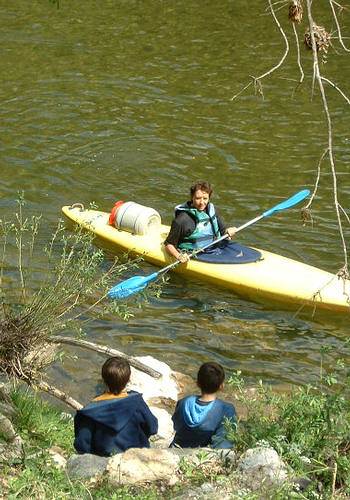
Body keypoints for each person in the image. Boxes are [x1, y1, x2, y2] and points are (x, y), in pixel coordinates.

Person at [74, 357, 158, 457]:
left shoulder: (89, 411)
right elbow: (153, 428)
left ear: (103, 380)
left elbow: (82, 445)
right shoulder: (136, 402)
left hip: (103, 459)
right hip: (136, 457)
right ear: (128, 379)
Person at [164, 181, 237, 263]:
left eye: (205, 198)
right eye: (198, 198)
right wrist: (179, 256)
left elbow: (224, 233)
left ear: (209, 198)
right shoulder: (182, 220)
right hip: (194, 253)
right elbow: (168, 244)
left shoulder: (212, 210)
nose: (202, 203)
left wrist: (229, 231)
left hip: (215, 249)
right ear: (192, 197)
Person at [171, 362, 237, 449]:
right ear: (221, 386)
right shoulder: (227, 410)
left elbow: (176, 425)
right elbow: (224, 444)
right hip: (202, 456)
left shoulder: (184, 402)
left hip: (177, 449)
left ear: (197, 383)